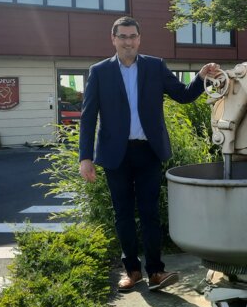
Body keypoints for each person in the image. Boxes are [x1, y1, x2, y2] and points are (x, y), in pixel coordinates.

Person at [79, 16, 220, 292]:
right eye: (123, 36)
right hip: (115, 155)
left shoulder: (155, 67)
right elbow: (88, 117)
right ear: (113, 39)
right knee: (122, 215)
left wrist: (201, 77)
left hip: (149, 152)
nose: (128, 41)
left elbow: (182, 94)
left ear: (139, 39)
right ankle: (131, 271)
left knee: (150, 214)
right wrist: (85, 157)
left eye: (132, 36)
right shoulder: (99, 72)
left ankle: (156, 270)